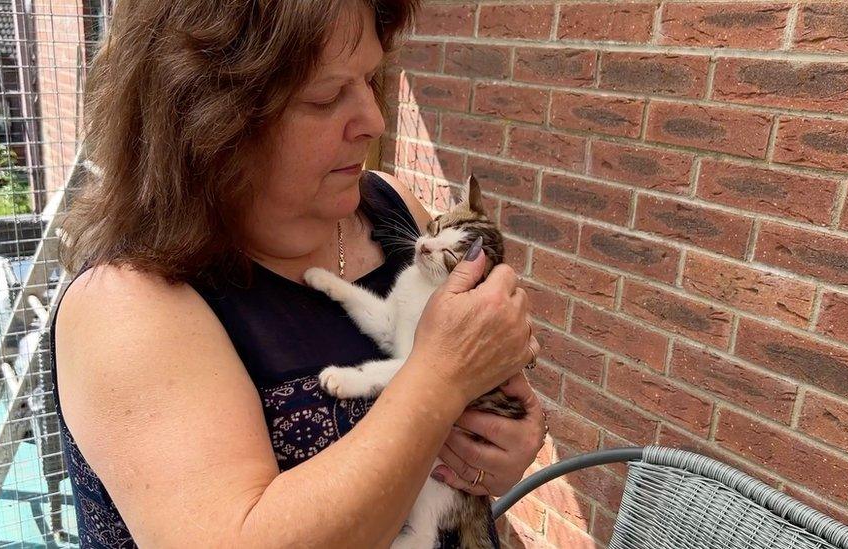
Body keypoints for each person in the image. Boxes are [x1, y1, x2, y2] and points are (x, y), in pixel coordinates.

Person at [52, 0, 547, 546]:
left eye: (369, 78)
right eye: (327, 96)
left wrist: (500, 449)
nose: (374, 121)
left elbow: (488, 383)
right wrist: (441, 378)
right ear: (213, 119)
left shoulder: (395, 207)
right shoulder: (125, 305)